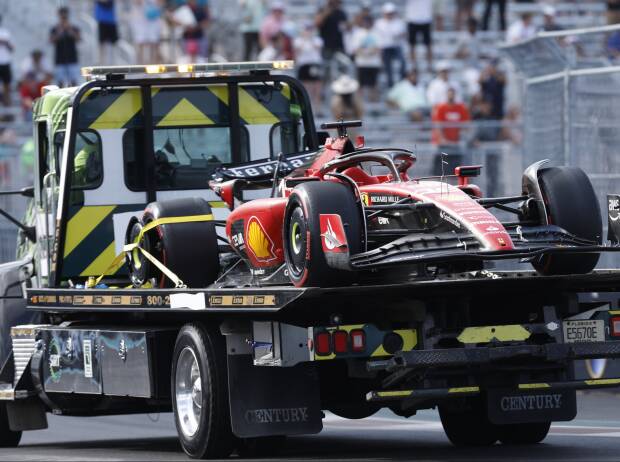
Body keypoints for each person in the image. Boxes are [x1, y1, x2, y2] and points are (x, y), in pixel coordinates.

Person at [374, 2, 407, 89]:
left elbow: (402, 35)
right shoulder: (379, 23)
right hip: (385, 48)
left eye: (391, 13)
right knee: (388, 68)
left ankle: (402, 82)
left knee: (402, 62)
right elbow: (378, 38)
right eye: (388, 13)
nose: (389, 15)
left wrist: (396, 36)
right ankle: (390, 86)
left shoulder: (399, 22)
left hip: (396, 47)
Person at [350, 15, 381, 103]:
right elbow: (355, 48)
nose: (367, 23)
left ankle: (374, 103)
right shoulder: (358, 33)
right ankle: (360, 104)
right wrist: (366, 53)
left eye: (368, 21)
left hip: (374, 63)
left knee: (374, 85)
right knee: (360, 85)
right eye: (365, 21)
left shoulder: (377, 33)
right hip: (362, 63)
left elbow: (379, 48)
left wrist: (367, 53)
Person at [294, 23, 323, 111]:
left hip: (314, 64)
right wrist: (305, 39)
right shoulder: (298, 40)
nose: (308, 32)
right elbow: (298, 50)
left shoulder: (317, 40)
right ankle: (307, 108)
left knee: (317, 87)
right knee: (305, 87)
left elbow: (317, 48)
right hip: (304, 64)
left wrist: (310, 39)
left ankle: (317, 108)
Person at [50, 7, 81, 88]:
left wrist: (69, 29)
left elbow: (78, 39)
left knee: (74, 82)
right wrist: (60, 31)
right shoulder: (55, 28)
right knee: (60, 83)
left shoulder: (73, 28)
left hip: (72, 59)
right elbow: (51, 40)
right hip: (59, 59)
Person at [455, 17, 483, 98]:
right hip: (467, 68)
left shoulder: (478, 37)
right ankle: (475, 101)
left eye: (474, 26)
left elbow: (479, 54)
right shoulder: (463, 38)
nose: (472, 28)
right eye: (471, 26)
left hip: (477, 67)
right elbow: (456, 55)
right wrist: (463, 54)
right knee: (475, 80)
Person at [405, 0, 433, 70]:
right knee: (412, 45)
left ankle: (429, 65)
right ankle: (413, 65)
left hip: (425, 19)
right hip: (412, 19)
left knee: (428, 45)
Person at [95, 0, 119, 65]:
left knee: (114, 43)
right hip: (102, 21)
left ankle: (114, 63)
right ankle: (102, 62)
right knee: (102, 44)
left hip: (112, 21)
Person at [0, 15, 13, 107]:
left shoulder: (6, 33)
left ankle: (6, 102)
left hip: (5, 61)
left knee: (7, 84)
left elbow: (12, 48)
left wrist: (5, 42)